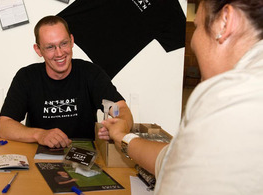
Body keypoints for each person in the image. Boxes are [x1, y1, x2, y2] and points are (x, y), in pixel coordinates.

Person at [102, 0, 263, 194]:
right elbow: (170, 159)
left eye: (197, 27)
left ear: (225, 22)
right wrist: (121, 136)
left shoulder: (229, 98)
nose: (193, 41)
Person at [0, 16, 133, 148]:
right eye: (50, 47)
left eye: (64, 43)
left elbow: (121, 108)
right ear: (38, 50)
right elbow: (4, 127)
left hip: (85, 158)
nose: (59, 53)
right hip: (39, 157)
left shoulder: (90, 73)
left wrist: (121, 126)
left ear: (72, 40)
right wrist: (40, 135)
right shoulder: (26, 77)